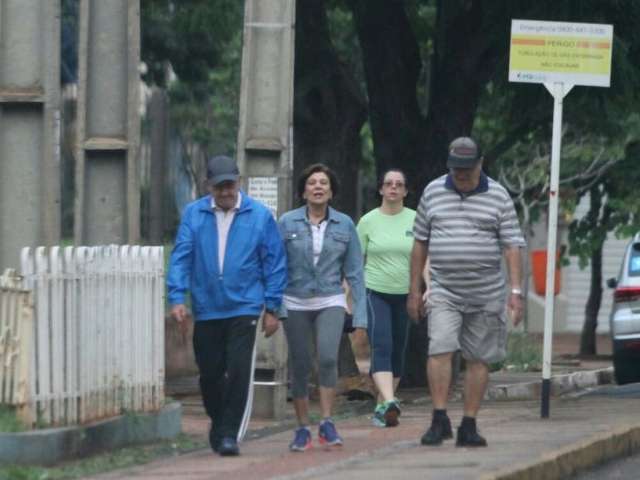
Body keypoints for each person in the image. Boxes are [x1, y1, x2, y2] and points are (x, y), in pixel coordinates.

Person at [407, 137, 525, 447]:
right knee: (440, 348)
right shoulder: (433, 191)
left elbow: (512, 245)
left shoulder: (498, 195)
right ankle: (439, 417)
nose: (460, 175)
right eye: (455, 169)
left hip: (486, 292)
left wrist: (516, 291)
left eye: (467, 169)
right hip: (445, 288)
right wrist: (414, 291)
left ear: (480, 164)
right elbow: (420, 242)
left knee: (479, 358)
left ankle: (469, 424)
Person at [167, 155, 287, 457]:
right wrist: (177, 297)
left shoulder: (259, 215)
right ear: (209, 186)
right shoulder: (194, 215)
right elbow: (181, 256)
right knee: (209, 374)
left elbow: (274, 262)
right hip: (207, 306)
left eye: (229, 185)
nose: (225, 192)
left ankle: (229, 433)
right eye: (219, 187)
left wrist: (272, 307)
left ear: (239, 182)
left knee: (237, 370)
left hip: (245, 307)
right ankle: (219, 422)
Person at [278, 163, 366, 452]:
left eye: (323, 183)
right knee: (301, 364)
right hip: (294, 299)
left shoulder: (345, 224)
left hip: (330, 298)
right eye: (312, 183)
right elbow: (276, 266)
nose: (318, 187)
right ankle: (302, 427)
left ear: (331, 192)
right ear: (303, 191)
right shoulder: (287, 222)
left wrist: (361, 314)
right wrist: (274, 306)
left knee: (328, 358)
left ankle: (327, 422)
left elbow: (355, 272)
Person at [356, 169, 416, 427]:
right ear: (380, 189)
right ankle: (391, 400)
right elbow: (356, 262)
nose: (393, 188)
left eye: (399, 184)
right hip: (375, 291)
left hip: (406, 293)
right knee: (382, 344)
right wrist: (350, 295)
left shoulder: (416, 219)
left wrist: (429, 286)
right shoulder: (368, 221)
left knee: (399, 350)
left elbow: (424, 258)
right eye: (388, 184)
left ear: (405, 191)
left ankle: (383, 405)